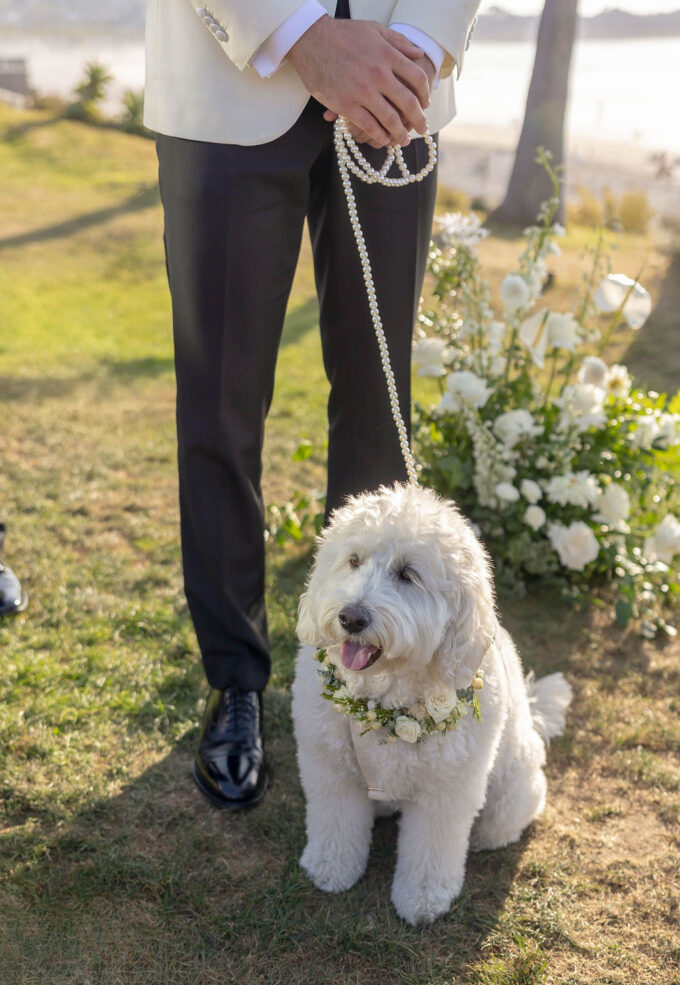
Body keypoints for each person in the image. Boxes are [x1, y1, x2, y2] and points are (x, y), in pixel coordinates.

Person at [144, 0, 481, 810]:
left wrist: (426, 44)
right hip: (225, 85)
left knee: (377, 395)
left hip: (400, 82)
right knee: (220, 406)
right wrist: (306, 37)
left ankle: (373, 688)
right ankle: (234, 682)